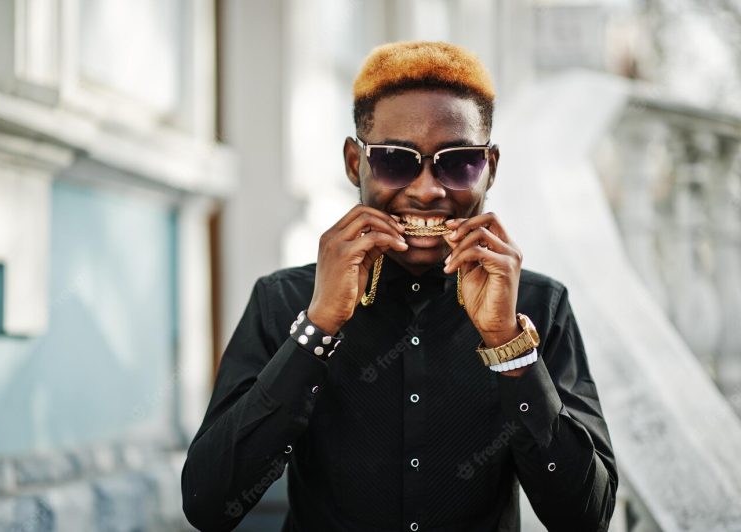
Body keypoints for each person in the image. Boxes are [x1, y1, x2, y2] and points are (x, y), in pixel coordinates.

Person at [181, 40, 618, 532]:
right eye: (395, 160)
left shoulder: (537, 305)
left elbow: (585, 518)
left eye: (458, 163)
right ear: (355, 163)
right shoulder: (284, 300)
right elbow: (209, 504)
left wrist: (508, 346)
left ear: (490, 168)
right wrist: (317, 329)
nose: (427, 190)